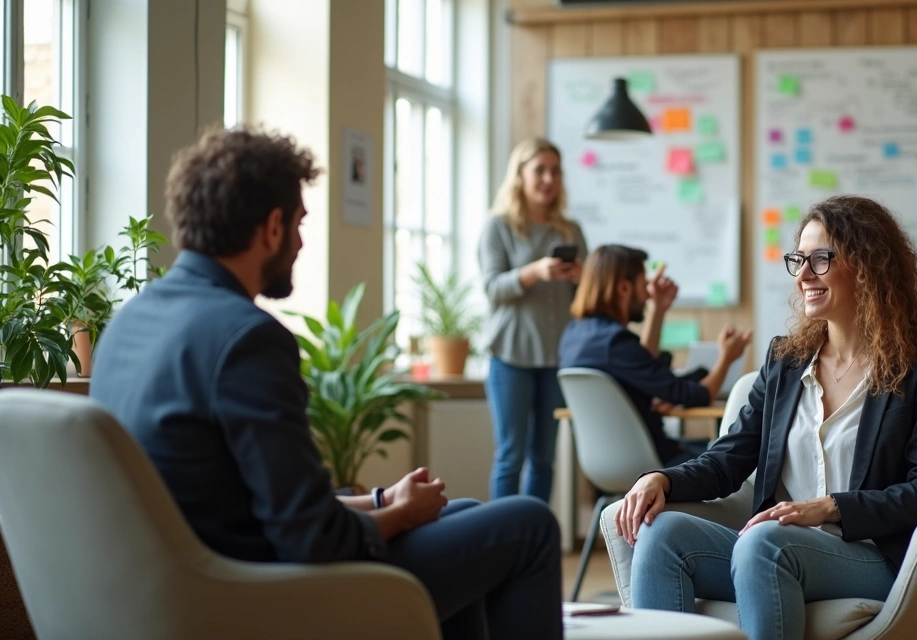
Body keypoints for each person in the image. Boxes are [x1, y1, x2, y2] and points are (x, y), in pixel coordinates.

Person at [89, 127, 562, 640]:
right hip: (259, 594)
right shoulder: (246, 339)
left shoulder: (129, 321)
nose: (300, 242)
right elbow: (312, 538)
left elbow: (248, 494)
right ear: (272, 226)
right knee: (529, 524)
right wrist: (399, 515)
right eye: (299, 224)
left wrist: (382, 500)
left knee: (464, 512)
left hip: (180, 585)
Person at [615, 196, 917, 639]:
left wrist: (828, 509)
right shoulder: (787, 360)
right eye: (798, 260)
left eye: (819, 260)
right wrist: (660, 479)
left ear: (868, 264)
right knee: (661, 535)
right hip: (771, 548)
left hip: (868, 555)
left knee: (762, 541)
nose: (802, 276)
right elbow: (727, 461)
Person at [559, 245, 751, 466]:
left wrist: (658, 309)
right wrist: (726, 358)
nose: (647, 294)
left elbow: (641, 367)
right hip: (657, 464)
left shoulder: (573, 335)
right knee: (738, 458)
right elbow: (697, 395)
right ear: (623, 288)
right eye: (643, 285)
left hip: (601, 465)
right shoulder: (617, 343)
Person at [479, 138, 587, 502]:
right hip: (510, 357)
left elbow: (588, 298)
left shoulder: (570, 231)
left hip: (557, 359)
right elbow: (492, 287)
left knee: (544, 460)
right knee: (511, 456)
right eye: (539, 170)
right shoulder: (499, 227)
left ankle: (532, 540)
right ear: (520, 176)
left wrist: (581, 278)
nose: (548, 178)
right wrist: (535, 271)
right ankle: (500, 541)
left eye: (555, 171)